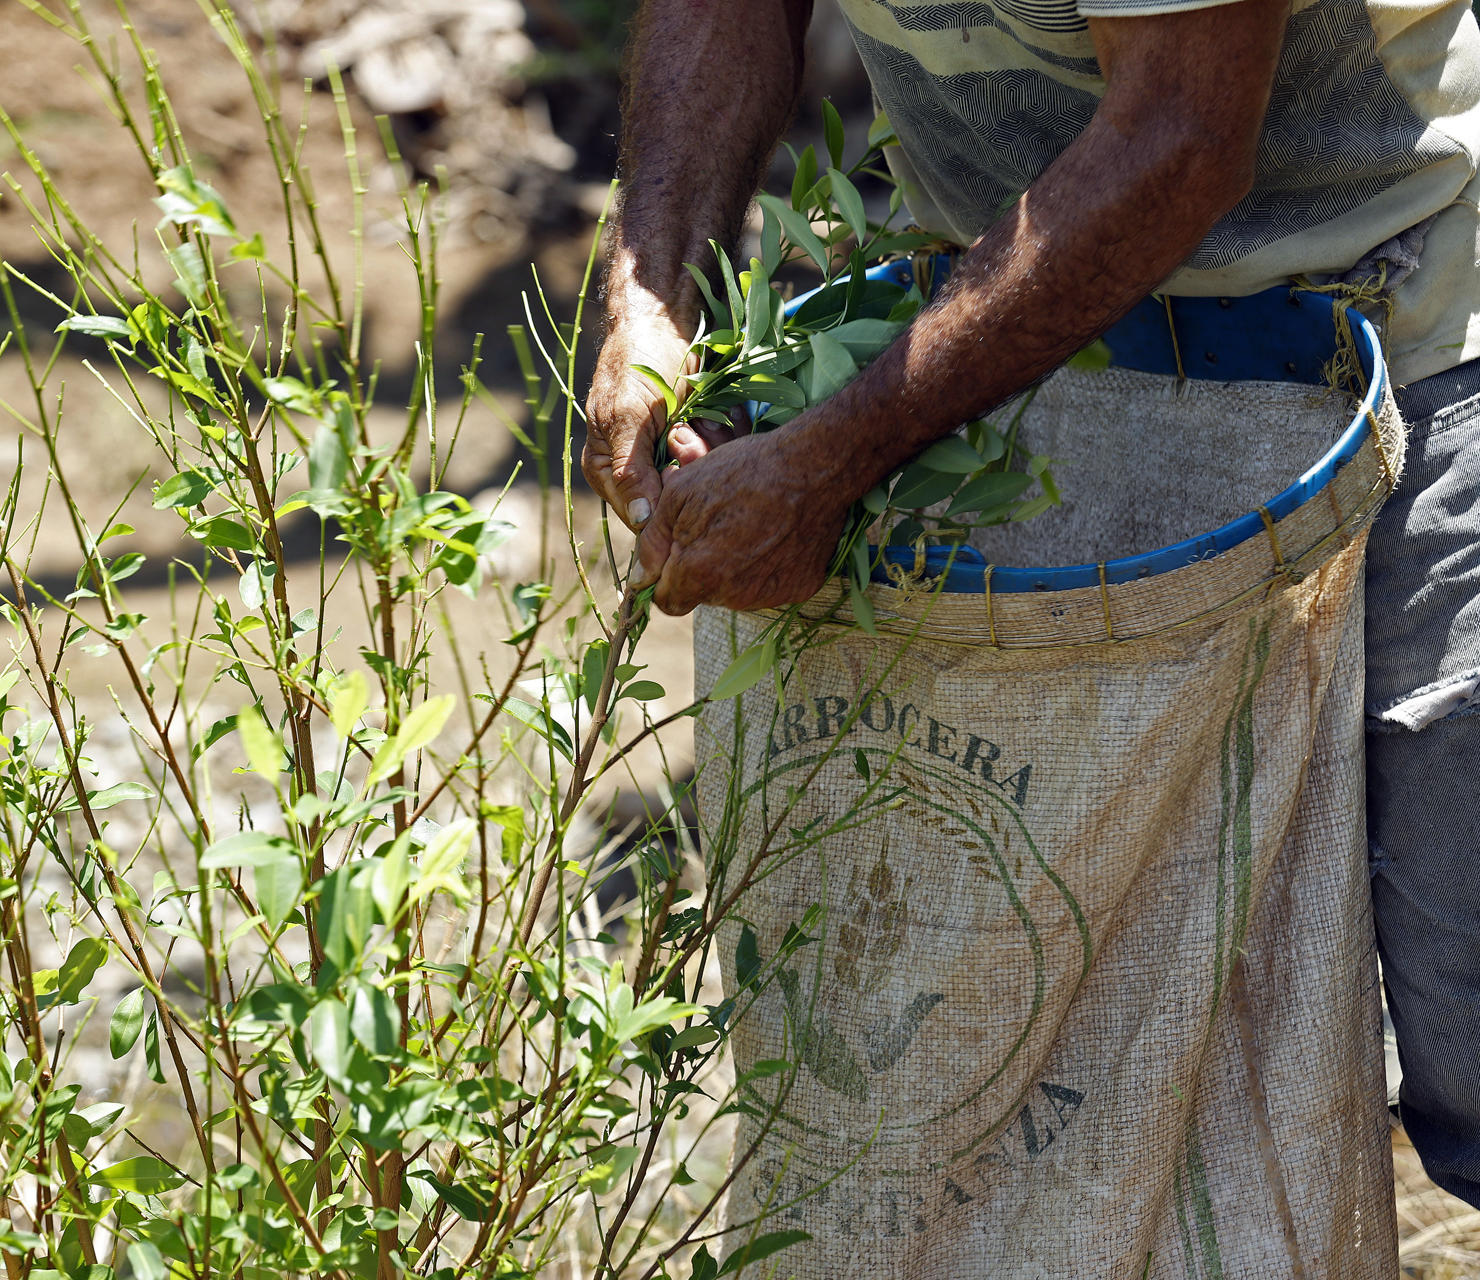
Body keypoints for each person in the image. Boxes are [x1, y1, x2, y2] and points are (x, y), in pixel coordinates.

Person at [586, 0, 1480, 1209]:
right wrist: (653, 287)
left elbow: (1182, 134)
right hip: (1025, 361)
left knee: (1467, 1005)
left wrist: (829, 462)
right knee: (1047, 1038)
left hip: (1401, 309)